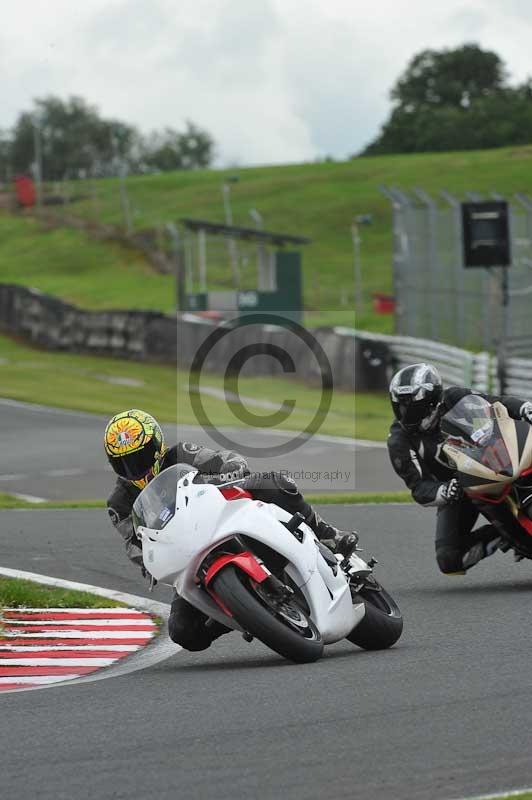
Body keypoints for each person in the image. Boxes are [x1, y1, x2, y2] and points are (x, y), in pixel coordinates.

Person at [104, 408, 358, 651]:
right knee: (183, 631)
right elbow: (133, 543)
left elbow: (227, 459)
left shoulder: (182, 454)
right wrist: (149, 563)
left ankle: (329, 535)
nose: (133, 467)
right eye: (123, 463)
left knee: (274, 483)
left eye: (139, 457)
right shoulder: (119, 502)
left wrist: (227, 472)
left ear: (157, 446)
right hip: (185, 553)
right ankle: (241, 613)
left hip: (221, 516)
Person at [387, 363, 532, 575]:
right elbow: (419, 488)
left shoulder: (454, 397)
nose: (405, 414)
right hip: (461, 490)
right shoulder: (399, 440)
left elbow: (495, 402)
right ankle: (503, 535)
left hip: (496, 458)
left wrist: (524, 408)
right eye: (399, 407)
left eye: (411, 407)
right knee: (450, 560)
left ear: (432, 402)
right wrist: (445, 491)